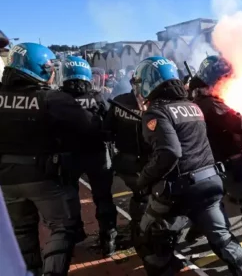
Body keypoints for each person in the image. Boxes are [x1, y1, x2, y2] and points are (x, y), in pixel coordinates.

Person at [130, 56, 242, 276]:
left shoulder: (157, 112)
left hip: (179, 190)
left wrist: (143, 180)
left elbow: (169, 153)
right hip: (210, 184)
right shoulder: (192, 106)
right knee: (225, 241)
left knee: (148, 238)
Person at [0, 43, 99, 276]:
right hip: (44, 178)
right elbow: (89, 127)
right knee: (62, 228)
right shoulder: (52, 99)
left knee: (21, 230)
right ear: (40, 69)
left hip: (6, 179)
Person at [191, 55, 242, 266]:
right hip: (229, 163)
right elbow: (240, 124)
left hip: (209, 164)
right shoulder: (211, 104)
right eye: (224, 78)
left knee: (215, 208)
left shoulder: (196, 100)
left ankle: (201, 233)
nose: (227, 81)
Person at [59, 56, 117, 257]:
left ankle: (76, 234)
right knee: (103, 197)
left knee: (70, 196)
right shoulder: (98, 97)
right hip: (97, 154)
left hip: (68, 155)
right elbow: (109, 124)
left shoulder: (56, 98)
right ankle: (108, 237)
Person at [103, 79, 150, 244]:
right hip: (147, 163)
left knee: (141, 196)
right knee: (146, 197)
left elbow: (107, 131)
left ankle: (138, 229)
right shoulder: (155, 104)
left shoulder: (120, 101)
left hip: (124, 162)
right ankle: (142, 234)